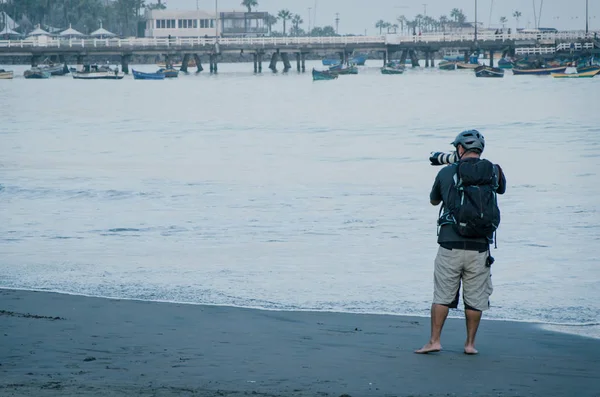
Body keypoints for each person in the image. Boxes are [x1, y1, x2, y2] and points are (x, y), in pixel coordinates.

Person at [416, 130, 506, 355]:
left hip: (450, 244)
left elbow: (433, 200)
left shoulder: (447, 172)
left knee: (442, 296)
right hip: (480, 247)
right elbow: (501, 189)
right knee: (475, 298)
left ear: (458, 149)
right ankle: (470, 345)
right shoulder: (493, 171)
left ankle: (435, 341)